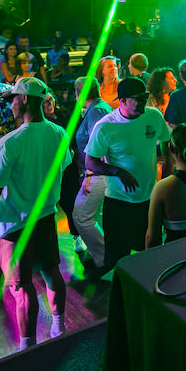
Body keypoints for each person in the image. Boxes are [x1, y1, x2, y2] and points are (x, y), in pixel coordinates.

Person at [0, 77, 70, 350]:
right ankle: (59, 325)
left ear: (24, 99)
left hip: (15, 225)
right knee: (51, 271)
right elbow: (65, 166)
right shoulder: (59, 133)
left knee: (21, 288)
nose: (9, 105)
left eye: (12, 98)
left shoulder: (10, 142)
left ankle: (27, 346)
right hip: (45, 217)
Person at [84, 78, 171, 273]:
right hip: (118, 203)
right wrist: (118, 171)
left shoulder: (154, 116)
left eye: (145, 97)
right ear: (122, 100)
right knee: (117, 258)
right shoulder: (105, 126)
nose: (143, 102)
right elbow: (91, 161)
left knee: (150, 254)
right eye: (138, 98)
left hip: (149, 201)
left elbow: (167, 144)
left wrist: (167, 176)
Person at [71, 77, 112, 275]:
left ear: (79, 93)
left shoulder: (97, 110)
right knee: (95, 216)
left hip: (97, 174)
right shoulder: (97, 108)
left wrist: (89, 174)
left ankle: (105, 259)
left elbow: (101, 145)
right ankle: (104, 259)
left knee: (80, 215)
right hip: (96, 173)